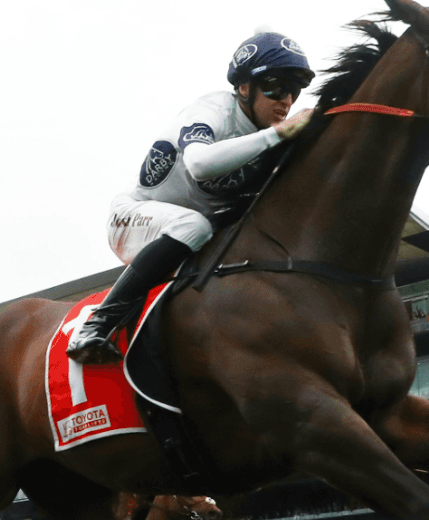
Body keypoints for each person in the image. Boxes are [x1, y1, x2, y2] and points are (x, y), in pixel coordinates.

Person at [65, 32, 318, 363]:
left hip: (195, 232)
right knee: (194, 225)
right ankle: (98, 324)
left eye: (295, 90)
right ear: (244, 87)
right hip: (132, 217)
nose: (287, 100)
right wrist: (277, 134)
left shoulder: (269, 135)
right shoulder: (213, 109)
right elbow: (199, 164)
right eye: (276, 86)